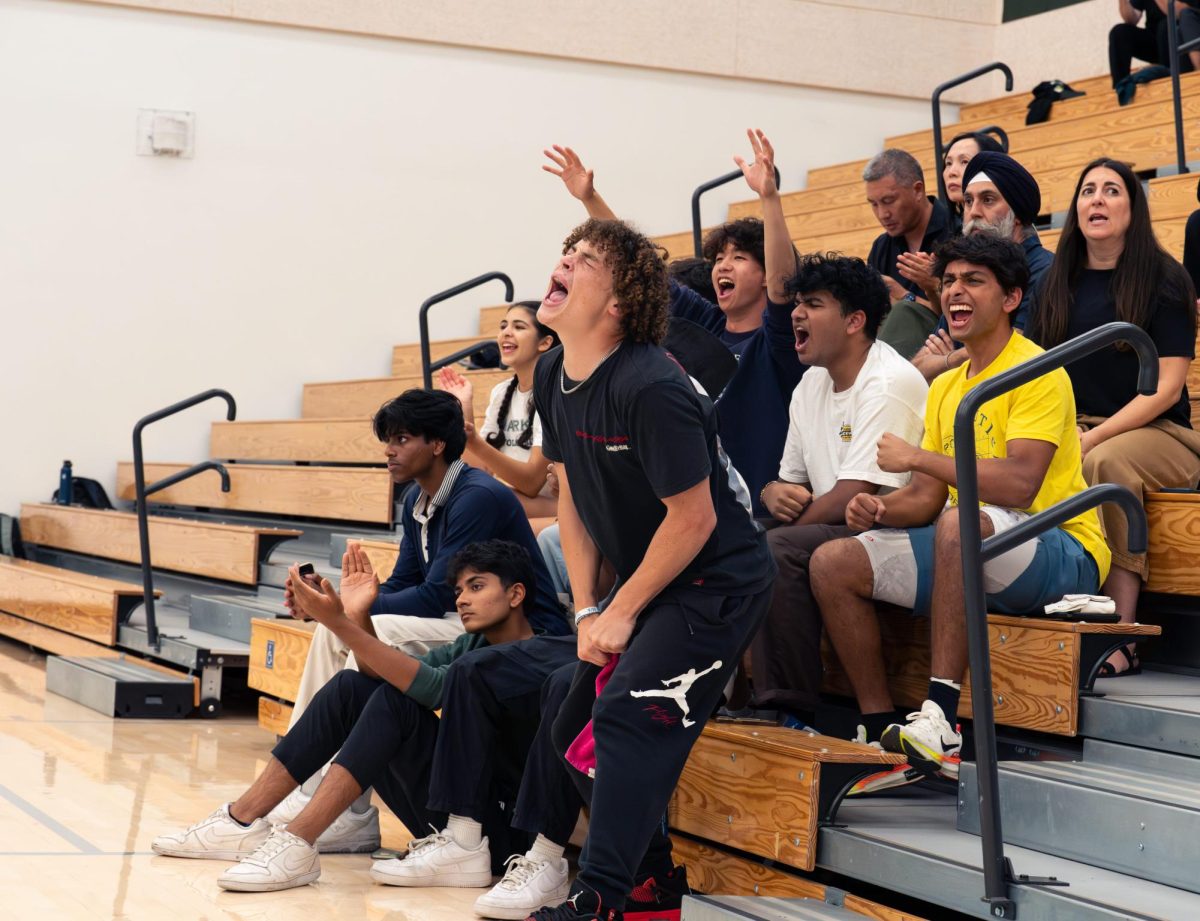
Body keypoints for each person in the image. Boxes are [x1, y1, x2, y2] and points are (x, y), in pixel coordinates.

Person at [526, 216, 776, 920]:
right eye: (564, 250)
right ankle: (650, 880)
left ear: (617, 305)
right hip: (654, 574)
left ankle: (598, 898)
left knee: (626, 714)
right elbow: (570, 489)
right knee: (564, 725)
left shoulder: (650, 385)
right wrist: (586, 606)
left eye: (585, 259)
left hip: (718, 578)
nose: (564, 261)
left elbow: (694, 519)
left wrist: (624, 609)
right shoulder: (552, 371)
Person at [810, 233, 1110, 780]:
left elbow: (1020, 484)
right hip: (977, 540)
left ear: (1012, 298)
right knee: (834, 562)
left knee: (959, 523)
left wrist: (920, 457)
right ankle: (881, 730)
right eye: (948, 280)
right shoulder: (947, 386)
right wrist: (880, 511)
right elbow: (926, 497)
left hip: (1063, 548)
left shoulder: (1037, 369)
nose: (955, 291)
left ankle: (942, 720)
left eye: (974, 280)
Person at [151, 540, 561, 893]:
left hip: (499, 833)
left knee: (393, 702)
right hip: (451, 816)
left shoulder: (537, 655)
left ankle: (299, 840)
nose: (461, 599)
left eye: (476, 586)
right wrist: (357, 615)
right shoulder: (471, 643)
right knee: (353, 689)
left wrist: (337, 623)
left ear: (516, 594)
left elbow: (435, 689)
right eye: (458, 589)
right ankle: (240, 820)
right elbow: (386, 672)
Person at [275, 389, 569, 838]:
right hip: (460, 615)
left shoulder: (476, 496)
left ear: (436, 444)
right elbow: (400, 585)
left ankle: (340, 809)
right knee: (351, 631)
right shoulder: (417, 500)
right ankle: (324, 798)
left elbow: (438, 595)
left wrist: (339, 612)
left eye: (401, 438)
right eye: (387, 440)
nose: (389, 451)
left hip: (516, 632)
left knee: (356, 633)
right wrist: (343, 607)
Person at [544, 138, 805, 517]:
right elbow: (637, 263)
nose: (723, 267)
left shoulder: (778, 341)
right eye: (718, 258)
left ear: (765, 276)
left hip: (754, 509)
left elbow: (785, 285)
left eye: (740, 258)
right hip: (690, 497)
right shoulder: (705, 322)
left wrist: (769, 197)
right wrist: (590, 198)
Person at [1027, 157, 1200, 676]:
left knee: (1104, 464)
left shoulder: (1166, 278)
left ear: (1133, 207)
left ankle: (1119, 632)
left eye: (1111, 191)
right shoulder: (1056, 281)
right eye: (1087, 191)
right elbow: (1037, 372)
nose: (1096, 200)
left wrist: (1092, 434)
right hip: (1079, 424)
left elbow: (1167, 387)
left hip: (1159, 431)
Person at [749, 253, 928, 730]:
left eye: (813, 303)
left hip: (892, 528)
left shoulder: (889, 382)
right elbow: (792, 483)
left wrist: (770, 526)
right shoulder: (810, 383)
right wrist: (771, 493)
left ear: (854, 321)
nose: (796, 313)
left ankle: (787, 708)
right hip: (834, 524)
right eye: (797, 303)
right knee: (724, 538)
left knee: (774, 547)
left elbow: (857, 490)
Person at [912, 150, 1053, 381]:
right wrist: (954, 360)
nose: (973, 212)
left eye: (988, 200)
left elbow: (1006, 358)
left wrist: (949, 361)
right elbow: (917, 370)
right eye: (968, 201)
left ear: (1017, 214)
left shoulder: (1045, 271)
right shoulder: (961, 274)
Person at [438, 300, 560, 522]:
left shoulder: (554, 393)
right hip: (514, 499)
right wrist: (463, 409)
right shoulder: (501, 391)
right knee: (453, 493)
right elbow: (477, 467)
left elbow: (532, 483)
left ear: (545, 342)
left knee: (473, 501)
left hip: (553, 507)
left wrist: (474, 440)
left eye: (519, 327)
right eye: (503, 326)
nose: (506, 333)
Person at [863, 149, 953, 360]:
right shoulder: (881, 246)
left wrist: (908, 296)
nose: (882, 214)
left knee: (904, 311)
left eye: (888, 201)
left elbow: (967, 316)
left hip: (945, 349)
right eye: (874, 204)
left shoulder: (956, 232)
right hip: (891, 354)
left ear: (918, 190)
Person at [1109, 0, 1193, 88]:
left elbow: (1179, 12)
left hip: (1182, 40)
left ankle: (1168, 81)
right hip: (1155, 41)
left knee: (1165, 26)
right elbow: (1132, 19)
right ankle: (1121, 86)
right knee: (1119, 32)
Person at [940, 130, 1004, 230]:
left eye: (964, 161)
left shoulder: (1007, 229)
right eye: (948, 163)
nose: (951, 172)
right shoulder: (945, 231)